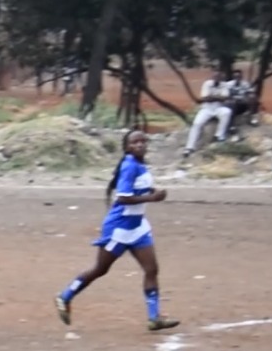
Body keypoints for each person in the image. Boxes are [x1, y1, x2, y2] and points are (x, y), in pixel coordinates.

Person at [55, 129, 180, 332]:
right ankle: (65, 296)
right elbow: (123, 197)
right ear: (127, 147)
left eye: (142, 141)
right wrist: (152, 198)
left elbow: (136, 189)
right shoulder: (129, 165)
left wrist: (151, 191)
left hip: (138, 227)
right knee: (100, 269)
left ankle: (154, 317)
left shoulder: (139, 165)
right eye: (134, 142)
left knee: (152, 269)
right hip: (119, 228)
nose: (139, 145)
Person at [184, 70, 232, 156]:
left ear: (221, 78)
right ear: (213, 77)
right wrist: (218, 97)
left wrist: (212, 97)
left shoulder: (224, 85)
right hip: (207, 108)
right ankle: (189, 147)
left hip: (218, 108)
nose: (217, 79)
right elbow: (205, 98)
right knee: (197, 124)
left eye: (218, 77)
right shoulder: (207, 84)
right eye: (215, 77)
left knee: (227, 112)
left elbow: (225, 98)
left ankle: (219, 136)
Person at [226, 69, 258, 137]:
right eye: (236, 76)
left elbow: (251, 92)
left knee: (252, 97)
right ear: (233, 77)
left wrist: (248, 97)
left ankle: (252, 118)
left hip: (243, 103)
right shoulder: (228, 84)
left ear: (241, 77)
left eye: (239, 76)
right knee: (231, 103)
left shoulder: (245, 84)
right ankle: (232, 126)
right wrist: (232, 99)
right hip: (233, 103)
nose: (237, 78)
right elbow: (225, 95)